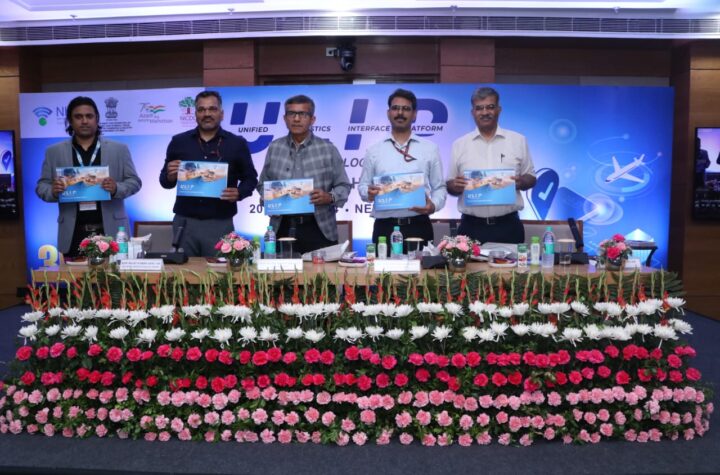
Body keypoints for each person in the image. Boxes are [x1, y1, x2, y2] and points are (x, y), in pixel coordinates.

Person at [36, 96, 141, 258]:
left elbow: (134, 182)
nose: (84, 121)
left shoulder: (119, 149)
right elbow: (41, 186)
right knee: (74, 275)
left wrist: (116, 188)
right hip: (73, 234)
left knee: (113, 275)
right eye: (78, 117)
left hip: (111, 232)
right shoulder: (54, 152)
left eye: (89, 116)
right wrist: (53, 191)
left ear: (97, 119)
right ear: (70, 121)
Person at [160, 90, 258, 257]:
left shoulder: (236, 143)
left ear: (221, 114)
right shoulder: (179, 142)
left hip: (220, 222)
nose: (207, 114)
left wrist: (239, 192)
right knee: (182, 271)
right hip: (185, 223)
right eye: (201, 109)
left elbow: (251, 178)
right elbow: (165, 181)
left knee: (220, 271)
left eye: (212, 109)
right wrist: (170, 175)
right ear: (195, 114)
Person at [257, 94, 351, 255]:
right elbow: (262, 184)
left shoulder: (327, 149)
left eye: (303, 114)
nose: (296, 119)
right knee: (281, 272)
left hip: (318, 227)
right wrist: (268, 197)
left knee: (321, 272)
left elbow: (344, 185)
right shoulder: (274, 148)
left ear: (312, 119)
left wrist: (329, 197)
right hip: (282, 226)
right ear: (285, 118)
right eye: (291, 114)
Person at [359, 88, 446, 251]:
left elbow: (439, 187)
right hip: (384, 228)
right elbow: (363, 186)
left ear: (414, 115)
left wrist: (433, 206)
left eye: (406, 109)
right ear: (388, 113)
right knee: (383, 269)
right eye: (395, 108)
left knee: (423, 269)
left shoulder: (430, 148)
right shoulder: (374, 150)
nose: (400, 113)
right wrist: (368, 193)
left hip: (419, 226)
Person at [446, 86, 536, 244]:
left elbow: (531, 177)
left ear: (499, 110)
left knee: (512, 263)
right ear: (472, 112)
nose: (485, 112)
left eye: (490, 107)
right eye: (479, 108)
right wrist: (455, 186)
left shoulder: (518, 140)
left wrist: (521, 182)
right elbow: (450, 185)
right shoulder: (459, 144)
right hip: (471, 227)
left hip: (508, 226)